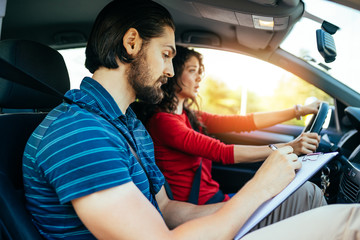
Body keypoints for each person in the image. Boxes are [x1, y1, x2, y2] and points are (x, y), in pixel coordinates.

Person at [22, 0, 360, 239]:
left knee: (305, 196)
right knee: (351, 222)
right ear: (131, 43)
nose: (170, 71)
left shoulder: (127, 126)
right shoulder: (79, 135)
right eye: (166, 54)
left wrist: (263, 192)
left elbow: (169, 212)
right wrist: (259, 187)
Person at [141, 45, 323, 204]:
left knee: (299, 195)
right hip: (199, 208)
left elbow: (244, 122)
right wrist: (291, 147)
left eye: (198, 71)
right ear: (173, 73)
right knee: (305, 196)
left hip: (215, 198)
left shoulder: (189, 115)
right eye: (191, 70)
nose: (198, 78)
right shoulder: (164, 122)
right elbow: (222, 152)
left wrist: (298, 111)